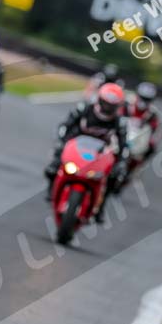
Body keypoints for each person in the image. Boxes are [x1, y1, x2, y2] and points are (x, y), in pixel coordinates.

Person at [44, 83, 129, 223]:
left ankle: (100, 206)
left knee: (114, 177)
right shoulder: (84, 109)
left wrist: (121, 162)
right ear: (99, 99)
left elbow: (123, 145)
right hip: (75, 145)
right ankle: (51, 190)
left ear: (117, 106)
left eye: (111, 105)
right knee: (53, 167)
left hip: (100, 153)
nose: (107, 108)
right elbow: (65, 125)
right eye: (105, 103)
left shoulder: (120, 122)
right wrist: (61, 141)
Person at [124, 82, 162, 159]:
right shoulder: (127, 104)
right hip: (122, 133)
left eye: (147, 99)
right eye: (142, 98)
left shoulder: (152, 113)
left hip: (137, 140)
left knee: (151, 148)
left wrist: (151, 142)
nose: (143, 101)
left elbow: (155, 131)